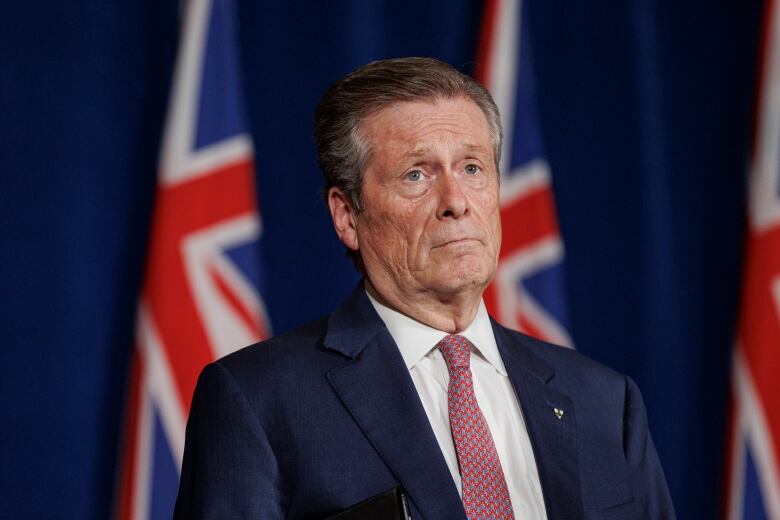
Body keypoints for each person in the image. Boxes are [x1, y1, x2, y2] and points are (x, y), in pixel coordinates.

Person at [174, 57, 675, 519]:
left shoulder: (606, 402)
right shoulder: (259, 400)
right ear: (347, 216)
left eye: (472, 168)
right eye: (416, 174)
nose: (456, 201)